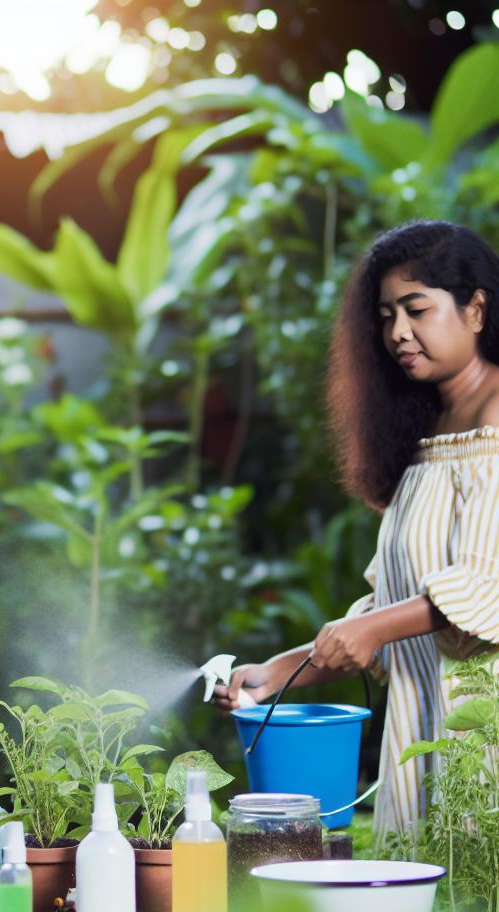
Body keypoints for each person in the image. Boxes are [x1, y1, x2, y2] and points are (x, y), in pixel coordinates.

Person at [213, 220, 499, 837]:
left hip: (483, 740)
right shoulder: (432, 433)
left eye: (417, 309)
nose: (398, 331)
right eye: (387, 314)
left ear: (476, 310)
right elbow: (395, 610)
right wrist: (280, 671)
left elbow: (483, 586)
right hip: (422, 737)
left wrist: (370, 626)